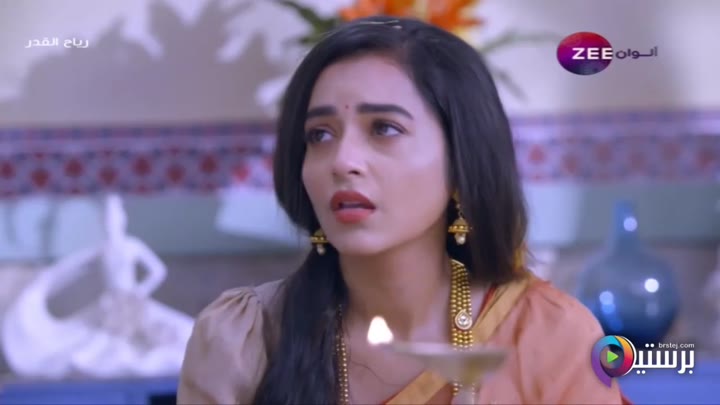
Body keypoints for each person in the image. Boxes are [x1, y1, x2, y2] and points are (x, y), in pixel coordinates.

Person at [178, 16, 630, 404]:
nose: (343, 161)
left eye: (384, 128)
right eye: (320, 135)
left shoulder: (548, 336)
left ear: (462, 160)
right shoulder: (244, 339)